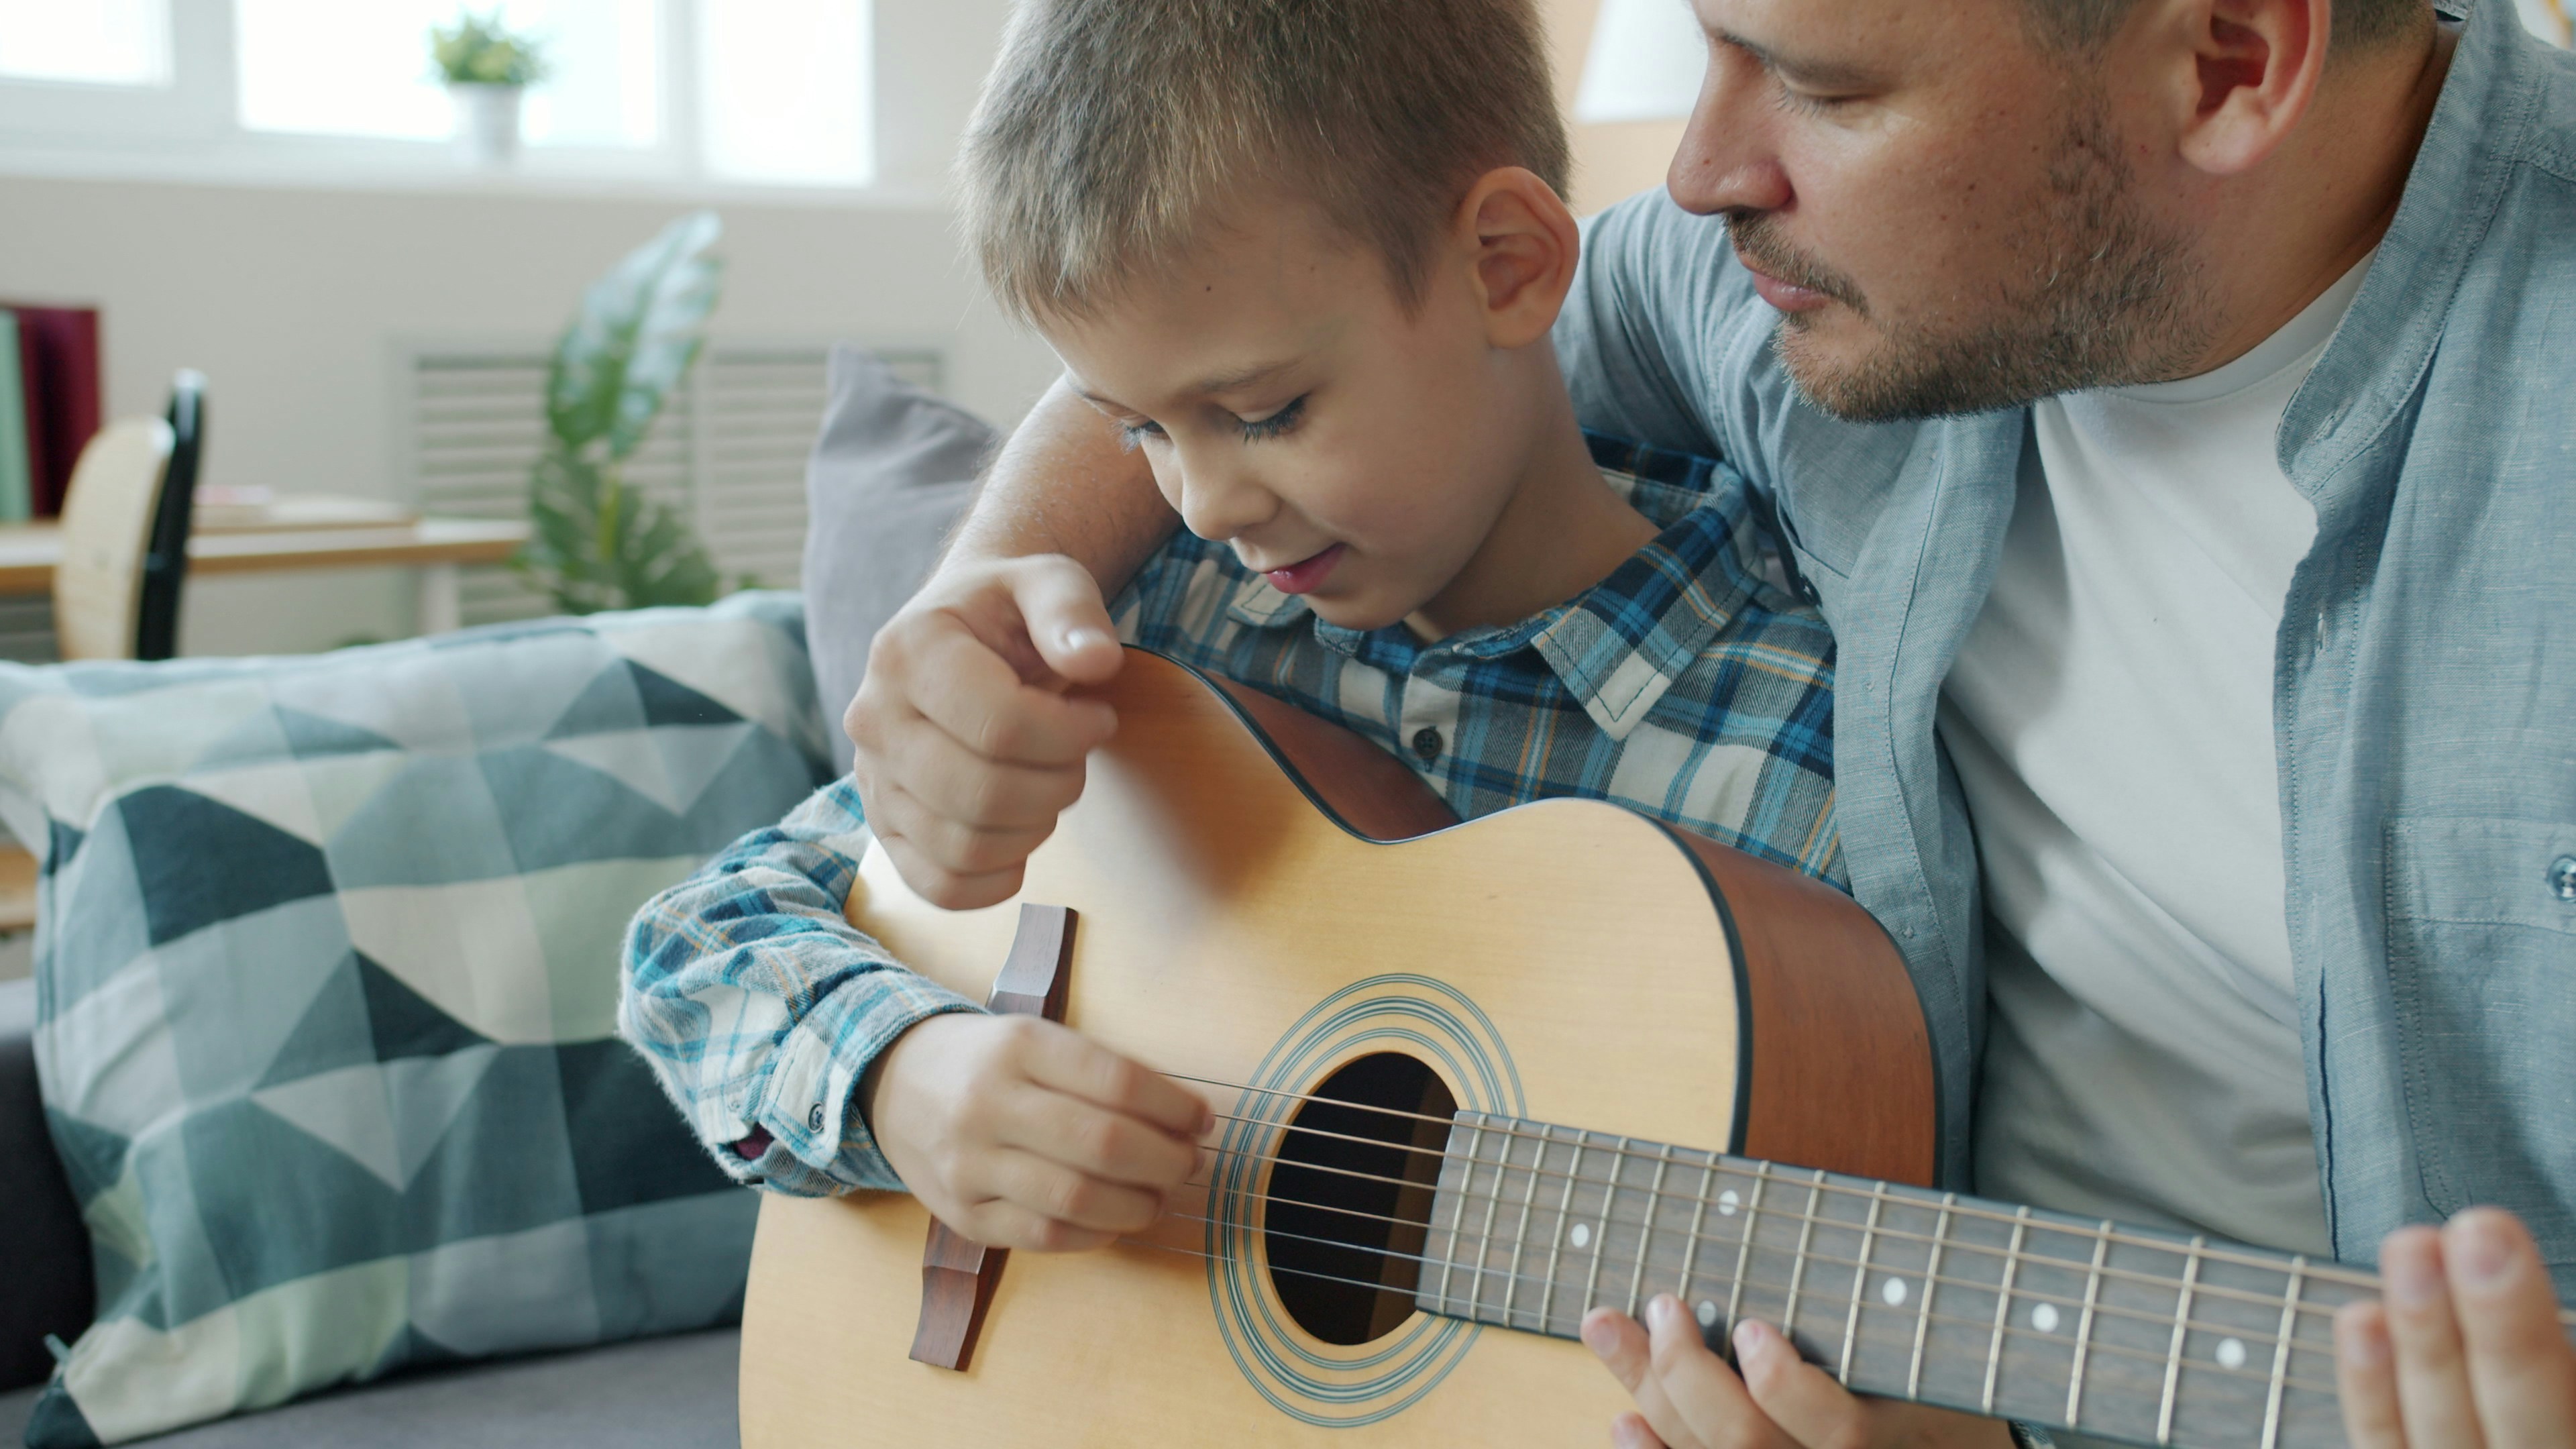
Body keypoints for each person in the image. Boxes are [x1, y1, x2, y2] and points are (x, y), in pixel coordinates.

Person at [843, 0, 2576, 1442]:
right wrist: (986, 583)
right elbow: (1248, 318)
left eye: (1823, 85)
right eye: (1707, 42)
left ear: (2222, 61)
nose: (1693, 172)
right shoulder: (1806, 287)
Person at [622, 0, 1972, 1431]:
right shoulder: (1157, 641)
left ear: (1507, 267)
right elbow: (696, 948)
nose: (1203, 503)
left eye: (1262, 412)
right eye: (1139, 430)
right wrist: (905, 1075)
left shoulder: (1797, 771)